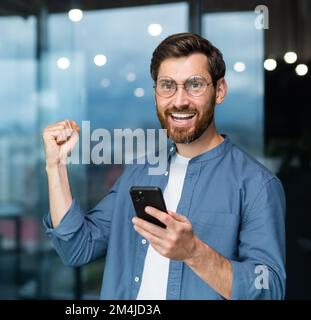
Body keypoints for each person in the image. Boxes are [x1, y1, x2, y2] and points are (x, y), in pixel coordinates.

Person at [42, 32, 286, 300]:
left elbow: (269, 290)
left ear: (220, 91)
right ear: (156, 93)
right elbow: (78, 246)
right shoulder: (139, 172)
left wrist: (194, 252)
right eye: (168, 85)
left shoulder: (257, 185)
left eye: (195, 85)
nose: (179, 100)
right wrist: (56, 165)